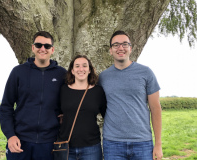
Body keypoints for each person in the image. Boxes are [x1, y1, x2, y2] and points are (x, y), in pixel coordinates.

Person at [0, 31, 67, 160]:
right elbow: (5, 107)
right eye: (38, 45)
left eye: (47, 46)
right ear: (33, 47)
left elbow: (70, 101)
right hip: (20, 141)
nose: (42, 49)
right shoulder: (18, 72)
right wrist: (10, 136)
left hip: (49, 143)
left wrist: (65, 114)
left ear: (52, 50)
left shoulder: (62, 74)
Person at [98, 30, 163, 160]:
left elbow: (155, 108)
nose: (120, 48)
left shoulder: (146, 73)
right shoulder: (103, 77)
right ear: (110, 50)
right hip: (112, 143)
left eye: (124, 44)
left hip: (142, 143)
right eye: (116, 45)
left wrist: (158, 144)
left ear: (130, 48)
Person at [57, 55, 107, 160]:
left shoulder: (98, 91)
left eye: (84, 66)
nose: (81, 69)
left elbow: (107, 116)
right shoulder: (63, 90)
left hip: (91, 147)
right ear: (72, 70)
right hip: (66, 146)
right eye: (77, 66)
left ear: (89, 70)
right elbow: (57, 112)